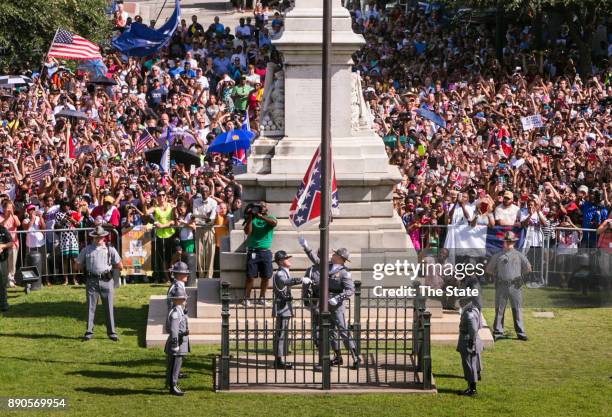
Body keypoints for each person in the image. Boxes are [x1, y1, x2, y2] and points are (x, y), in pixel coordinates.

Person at [77, 226, 123, 341]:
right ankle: (88, 332)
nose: (99, 239)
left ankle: (112, 332)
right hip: (91, 280)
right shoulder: (86, 249)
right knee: (90, 308)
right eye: (96, 237)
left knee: (109, 307)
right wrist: (79, 264)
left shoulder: (110, 249)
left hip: (106, 281)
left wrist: (109, 269)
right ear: (93, 237)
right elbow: (77, 265)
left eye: (101, 237)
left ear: (104, 237)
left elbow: (119, 264)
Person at [485, 232, 531, 341]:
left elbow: (528, 268)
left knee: (517, 309)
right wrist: (498, 276)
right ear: (504, 242)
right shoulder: (498, 256)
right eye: (507, 242)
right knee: (499, 310)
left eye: (511, 242)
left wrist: (520, 278)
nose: (509, 244)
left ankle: (520, 332)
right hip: (501, 285)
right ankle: (498, 331)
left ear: (513, 242)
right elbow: (489, 269)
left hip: (515, 286)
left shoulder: (519, 255)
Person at [271, 250, 310, 369]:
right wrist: (301, 280)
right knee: (281, 334)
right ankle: (279, 361)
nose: (289, 260)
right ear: (281, 262)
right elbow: (286, 282)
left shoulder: (284, 272)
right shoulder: (280, 274)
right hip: (282, 308)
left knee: (282, 333)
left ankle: (279, 359)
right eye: (287, 258)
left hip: (284, 307)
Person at [328, 248, 361, 369]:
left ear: (340, 258)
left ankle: (355, 356)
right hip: (326, 303)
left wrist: (338, 298)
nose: (332, 255)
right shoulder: (327, 266)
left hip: (337, 305)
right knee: (331, 331)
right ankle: (337, 356)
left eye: (335, 254)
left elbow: (350, 290)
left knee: (343, 330)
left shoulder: (344, 272)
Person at [243, 201, 277, 306]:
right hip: (253, 251)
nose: (261, 208)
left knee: (266, 276)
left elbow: (273, 223)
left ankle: (262, 298)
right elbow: (247, 232)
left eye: (263, 206)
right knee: (250, 277)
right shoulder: (252, 218)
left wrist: (261, 216)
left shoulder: (271, 217)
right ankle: (246, 298)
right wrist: (250, 217)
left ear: (266, 208)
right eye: (259, 206)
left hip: (265, 252)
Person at [456, 294, 483, 396]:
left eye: (460, 300)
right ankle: (471, 387)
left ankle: (472, 389)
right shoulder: (474, 309)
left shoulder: (469, 313)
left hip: (468, 341)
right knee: (470, 364)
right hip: (468, 339)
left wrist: (471, 344)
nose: (459, 302)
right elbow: (479, 325)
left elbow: (473, 330)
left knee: (469, 365)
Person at [165, 286, 190, 396]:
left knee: (176, 365)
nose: (184, 300)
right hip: (177, 342)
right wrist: (175, 345)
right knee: (175, 365)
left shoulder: (180, 311)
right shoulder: (175, 313)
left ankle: (173, 384)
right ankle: (173, 385)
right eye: (182, 298)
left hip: (180, 341)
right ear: (177, 300)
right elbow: (174, 330)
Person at [298, 236, 321, 348]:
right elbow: (305, 286)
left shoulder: (331, 266)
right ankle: (318, 343)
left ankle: (332, 347)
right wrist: (305, 299)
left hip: (329, 300)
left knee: (330, 325)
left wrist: (306, 247)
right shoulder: (311, 270)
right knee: (316, 324)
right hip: (316, 300)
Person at [192, 185, 217, 278]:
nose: (204, 193)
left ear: (209, 192)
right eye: (202, 191)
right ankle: (201, 275)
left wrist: (201, 217)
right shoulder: (196, 201)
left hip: (209, 229)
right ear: (200, 192)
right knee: (199, 253)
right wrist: (205, 217)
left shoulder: (213, 202)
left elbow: (212, 219)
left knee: (210, 253)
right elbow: (195, 217)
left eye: (206, 191)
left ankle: (209, 276)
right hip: (199, 229)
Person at [0, 222, 14, 312]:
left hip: (2, 260)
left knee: (2, 282)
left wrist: (2, 246)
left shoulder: (3, 229)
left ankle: (3, 304)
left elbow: (11, 243)